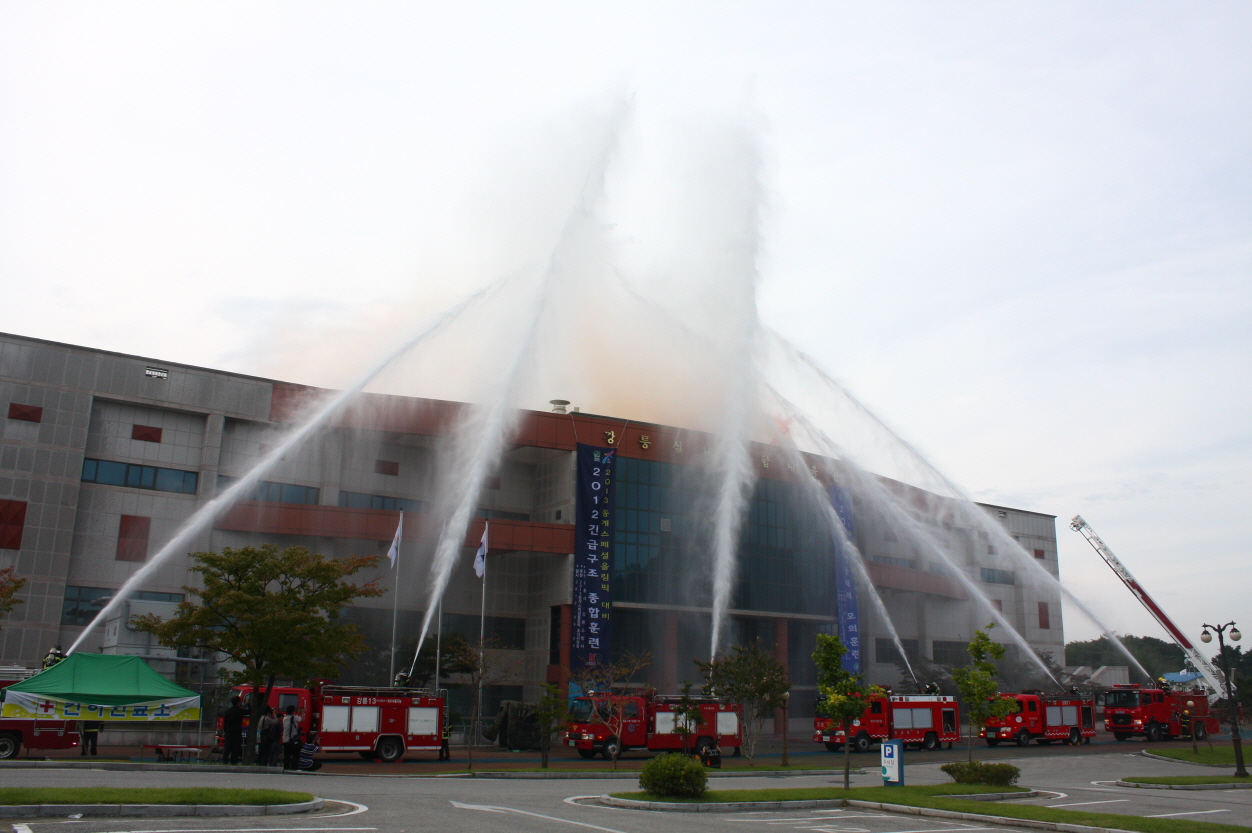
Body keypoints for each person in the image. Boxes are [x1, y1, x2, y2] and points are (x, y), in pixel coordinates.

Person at [221, 696, 246, 765]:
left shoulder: (227, 712)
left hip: (229, 732)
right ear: (238, 703)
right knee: (235, 749)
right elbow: (250, 711)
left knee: (227, 748)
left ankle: (225, 761)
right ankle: (233, 762)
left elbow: (225, 723)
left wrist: (225, 731)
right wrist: (248, 704)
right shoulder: (240, 711)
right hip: (237, 732)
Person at [281, 704, 302, 771]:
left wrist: (298, 714)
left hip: (285, 740)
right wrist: (302, 713)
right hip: (293, 740)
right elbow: (302, 719)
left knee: (287, 756)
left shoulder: (285, 718)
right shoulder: (294, 717)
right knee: (296, 755)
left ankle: (286, 768)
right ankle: (294, 768)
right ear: (293, 711)